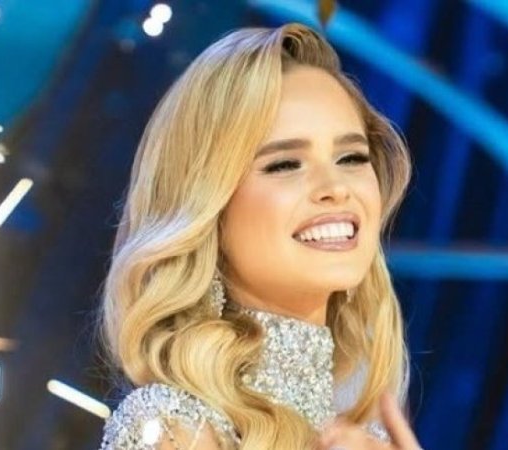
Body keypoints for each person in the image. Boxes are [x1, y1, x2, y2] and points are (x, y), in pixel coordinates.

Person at [97, 21, 421, 450]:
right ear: (209, 207)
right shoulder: (174, 430)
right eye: (285, 164)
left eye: (351, 158)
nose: (337, 187)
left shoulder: (370, 432)